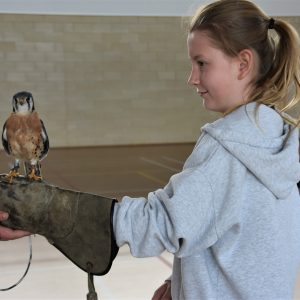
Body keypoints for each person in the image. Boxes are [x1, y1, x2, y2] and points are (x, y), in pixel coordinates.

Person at [1, 0, 300, 299]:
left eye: (202, 63)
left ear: (243, 64)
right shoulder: (275, 139)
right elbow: (236, 239)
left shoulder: (227, 152)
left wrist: (47, 212)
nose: (192, 78)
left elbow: (162, 221)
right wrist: (180, 282)